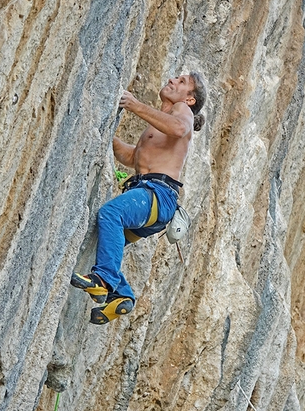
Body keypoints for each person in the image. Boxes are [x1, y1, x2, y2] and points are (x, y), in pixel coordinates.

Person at [71, 71, 207, 324]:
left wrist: (134, 105)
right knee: (111, 240)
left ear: (189, 99)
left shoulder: (182, 113)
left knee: (111, 214)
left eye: (182, 82)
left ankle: (102, 281)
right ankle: (122, 295)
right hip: (149, 198)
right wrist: (102, 134)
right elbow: (132, 158)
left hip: (157, 194)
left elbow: (179, 129)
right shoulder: (161, 124)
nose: (173, 80)